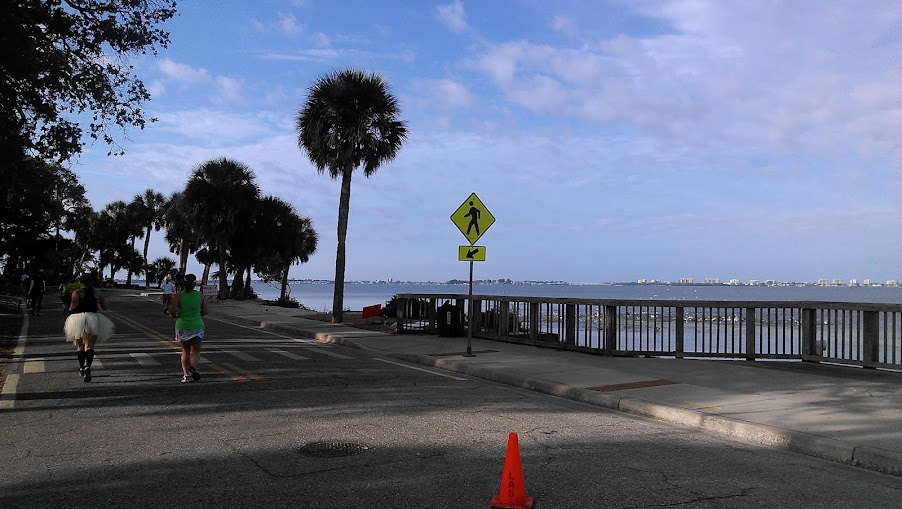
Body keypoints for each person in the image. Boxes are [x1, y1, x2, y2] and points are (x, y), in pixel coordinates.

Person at [64, 274, 115, 382]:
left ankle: (82, 367)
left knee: (80, 345)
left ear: (80, 282)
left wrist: (70, 309)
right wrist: (96, 305)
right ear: (91, 282)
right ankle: (88, 366)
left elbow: (73, 306)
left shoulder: (77, 292)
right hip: (93, 318)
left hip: (78, 319)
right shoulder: (97, 293)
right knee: (89, 345)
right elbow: (105, 307)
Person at [169, 273, 208, 383]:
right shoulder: (200, 295)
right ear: (194, 284)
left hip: (182, 326)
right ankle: (192, 366)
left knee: (185, 351)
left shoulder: (178, 295)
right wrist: (197, 314)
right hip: (197, 326)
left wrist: (174, 315)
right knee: (195, 350)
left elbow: (172, 311)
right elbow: (205, 311)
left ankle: (186, 375)